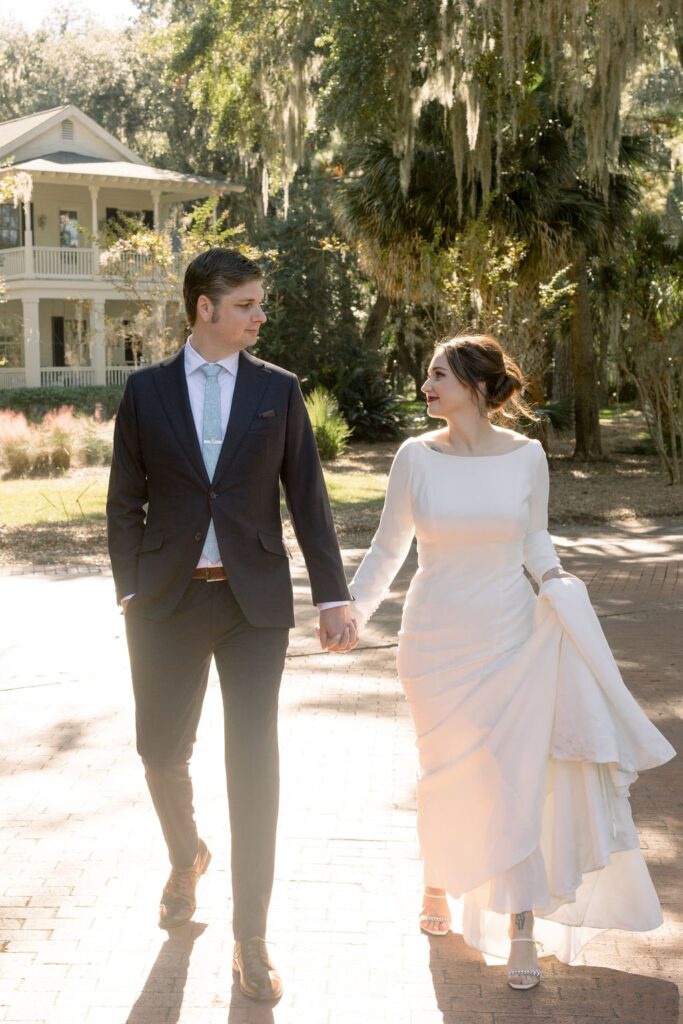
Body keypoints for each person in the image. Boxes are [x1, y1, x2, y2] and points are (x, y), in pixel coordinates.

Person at [346, 334, 675, 989]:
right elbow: (388, 549)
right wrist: (350, 612)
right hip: (433, 639)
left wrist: (557, 584)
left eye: (437, 375)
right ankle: (437, 878)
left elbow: (533, 539)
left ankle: (521, 925)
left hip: (508, 636)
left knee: (515, 778)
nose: (425, 385)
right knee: (443, 772)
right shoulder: (415, 457)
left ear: (472, 385)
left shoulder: (526, 457)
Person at [106, 248, 357, 1001]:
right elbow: (124, 499)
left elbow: (307, 498)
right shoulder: (146, 391)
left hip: (253, 608)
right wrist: (129, 588)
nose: (259, 315)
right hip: (164, 603)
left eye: (259, 303)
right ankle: (187, 856)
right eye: (245, 304)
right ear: (204, 307)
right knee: (159, 753)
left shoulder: (278, 389)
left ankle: (251, 937)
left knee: (254, 765)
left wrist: (332, 595)